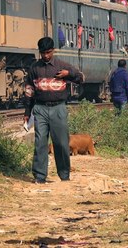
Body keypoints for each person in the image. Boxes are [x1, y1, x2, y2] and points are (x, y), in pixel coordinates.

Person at [24, 37, 83, 184]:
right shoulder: (34, 69)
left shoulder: (62, 66)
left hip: (58, 108)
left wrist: (67, 74)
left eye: (48, 52)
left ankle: (64, 175)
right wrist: (27, 112)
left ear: (53, 51)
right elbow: (29, 91)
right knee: (40, 143)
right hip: (40, 109)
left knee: (62, 143)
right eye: (43, 53)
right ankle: (39, 176)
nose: (46, 56)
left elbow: (81, 78)